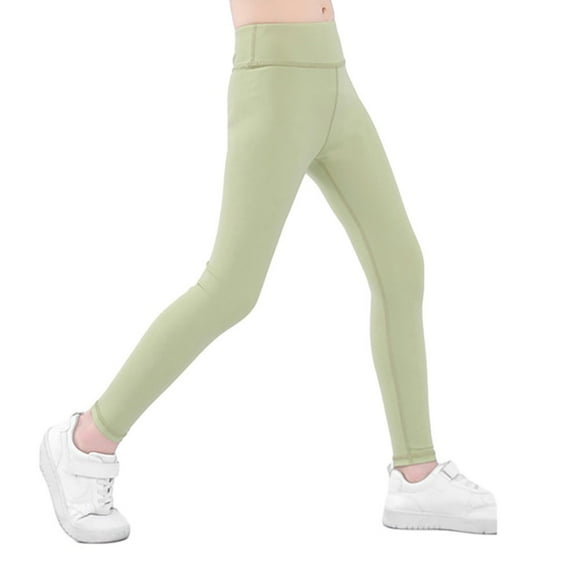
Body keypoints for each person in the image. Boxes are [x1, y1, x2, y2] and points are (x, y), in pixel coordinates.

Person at [39, 0, 497, 543]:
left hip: (334, 77)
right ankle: (84, 444)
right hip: (275, 82)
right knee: (230, 287)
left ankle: (416, 474)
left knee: (400, 264)